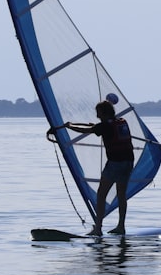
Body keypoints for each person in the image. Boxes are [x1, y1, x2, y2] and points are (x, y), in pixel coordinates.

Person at [49, 99, 135, 236]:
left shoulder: (104, 126)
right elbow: (99, 127)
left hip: (115, 164)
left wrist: (70, 126)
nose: (97, 116)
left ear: (105, 113)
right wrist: (96, 126)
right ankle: (121, 226)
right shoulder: (121, 121)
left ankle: (98, 228)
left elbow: (87, 130)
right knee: (121, 195)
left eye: (99, 113)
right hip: (128, 162)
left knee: (101, 195)